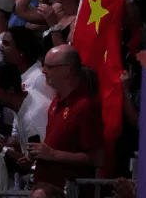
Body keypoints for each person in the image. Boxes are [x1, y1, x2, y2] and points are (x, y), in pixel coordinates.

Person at [30, 45, 102, 188]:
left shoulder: (85, 107)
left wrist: (53, 154)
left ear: (67, 70)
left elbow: (98, 159)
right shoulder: (56, 101)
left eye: (49, 67)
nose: (43, 71)